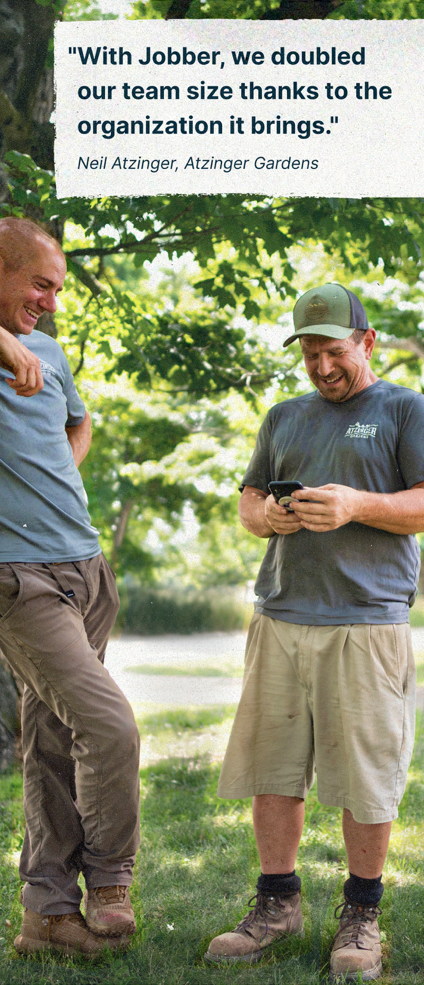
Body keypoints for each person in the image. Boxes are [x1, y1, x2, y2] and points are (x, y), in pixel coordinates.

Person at [205, 283, 424, 981]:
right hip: (279, 616)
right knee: (272, 771)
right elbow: (248, 495)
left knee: (364, 778)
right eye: (308, 354)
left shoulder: (403, 408)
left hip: (364, 624)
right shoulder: (283, 416)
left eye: (334, 352)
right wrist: (262, 518)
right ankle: (276, 905)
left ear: (364, 341)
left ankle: (361, 913)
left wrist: (357, 503)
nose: (322, 367)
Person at [0, 217, 140, 958]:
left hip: (86, 572)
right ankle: (111, 878)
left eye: (57, 290)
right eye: (39, 285)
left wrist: (55, 474)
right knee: (110, 727)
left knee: (53, 742)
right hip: (10, 578)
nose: (49, 304)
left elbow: (77, 422)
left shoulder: (52, 351)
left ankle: (48, 920)